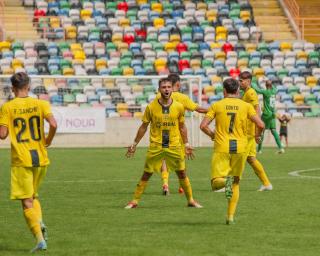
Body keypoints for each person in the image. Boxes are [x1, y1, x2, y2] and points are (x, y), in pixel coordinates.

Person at [0, 72, 57, 252]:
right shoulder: (41, 103)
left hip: (21, 160)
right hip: (41, 158)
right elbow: (54, 124)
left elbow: (3, 135)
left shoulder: (8, 107)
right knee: (32, 196)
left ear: (12, 88)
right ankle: (39, 222)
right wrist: (48, 140)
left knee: (26, 202)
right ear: (29, 87)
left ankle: (40, 240)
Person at [125, 77, 202, 209]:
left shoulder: (179, 107)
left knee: (182, 173)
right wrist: (134, 144)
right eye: (163, 87)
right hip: (156, 145)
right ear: (159, 89)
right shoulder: (151, 107)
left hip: (174, 145)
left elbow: (182, 126)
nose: (166, 89)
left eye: (168, 87)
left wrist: (187, 144)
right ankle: (134, 201)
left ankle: (190, 200)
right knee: (146, 173)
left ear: (172, 89)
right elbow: (143, 126)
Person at [200, 78, 265, 224]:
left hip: (222, 147)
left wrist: (212, 135)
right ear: (237, 91)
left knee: (216, 182)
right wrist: (257, 135)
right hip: (240, 148)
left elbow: (203, 125)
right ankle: (230, 217)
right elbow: (261, 124)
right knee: (235, 183)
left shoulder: (217, 105)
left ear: (224, 91)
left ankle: (226, 182)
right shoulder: (246, 106)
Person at [160, 73, 208, 195]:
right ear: (178, 84)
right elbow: (198, 109)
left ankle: (165, 184)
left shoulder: (159, 96)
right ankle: (182, 186)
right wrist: (215, 109)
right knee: (180, 159)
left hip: (164, 132)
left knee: (164, 158)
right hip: (178, 133)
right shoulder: (182, 97)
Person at [239, 71, 272, 191]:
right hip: (249, 131)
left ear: (248, 81)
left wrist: (258, 130)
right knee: (251, 159)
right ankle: (266, 183)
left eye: (241, 80)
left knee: (240, 157)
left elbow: (257, 111)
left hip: (249, 132)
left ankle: (231, 185)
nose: (239, 82)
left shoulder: (251, 93)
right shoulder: (246, 93)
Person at [252, 80, 284, 154]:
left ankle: (259, 149)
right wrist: (270, 84)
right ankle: (281, 148)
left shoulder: (266, 92)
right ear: (271, 85)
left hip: (266, 114)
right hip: (273, 114)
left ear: (266, 85)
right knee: (273, 130)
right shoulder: (274, 91)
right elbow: (274, 88)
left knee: (261, 131)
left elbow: (257, 90)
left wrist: (252, 83)